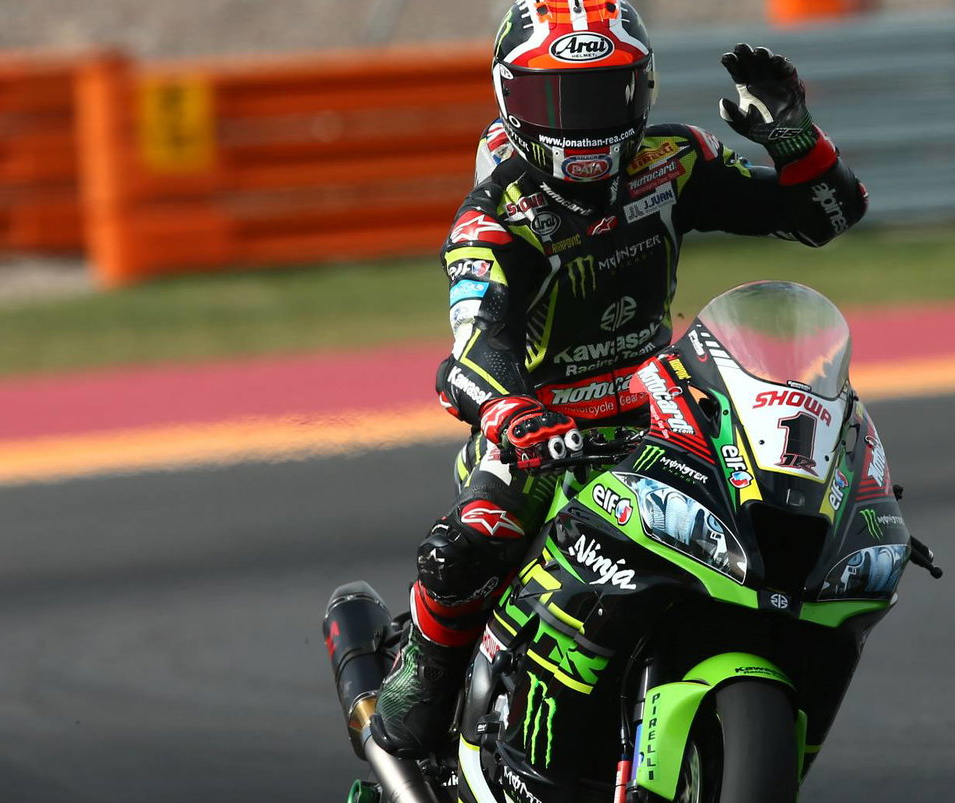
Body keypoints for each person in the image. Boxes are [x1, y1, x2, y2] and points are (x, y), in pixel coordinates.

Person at [370, 0, 869, 758]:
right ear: (511, 97)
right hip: (542, 433)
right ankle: (422, 676)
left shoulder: (673, 163)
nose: (583, 124)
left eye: (605, 96)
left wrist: (796, 138)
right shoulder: (495, 219)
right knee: (472, 540)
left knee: (777, 503)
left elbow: (823, 216)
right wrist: (513, 416)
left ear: (644, 91)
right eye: (558, 100)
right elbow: (472, 354)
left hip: (661, 409)